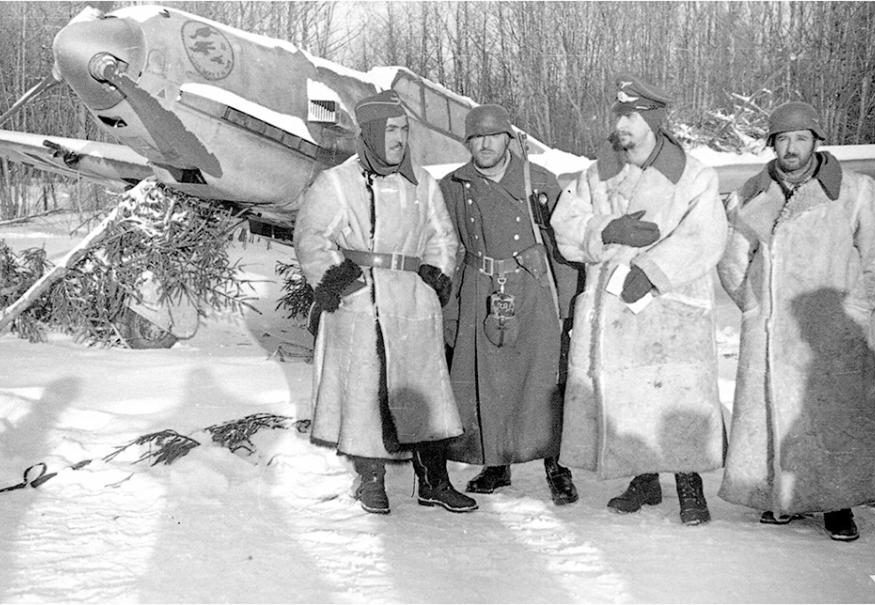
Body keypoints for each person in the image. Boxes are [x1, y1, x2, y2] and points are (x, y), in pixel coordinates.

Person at [717, 101, 875, 541]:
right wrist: (754, 307)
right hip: (770, 332)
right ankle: (784, 499)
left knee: (833, 418)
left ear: (816, 141)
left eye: (800, 138)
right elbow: (731, 259)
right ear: (773, 145)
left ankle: (838, 505)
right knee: (774, 415)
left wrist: (854, 310)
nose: (791, 148)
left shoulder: (855, 190)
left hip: (829, 331)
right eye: (782, 139)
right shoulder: (752, 194)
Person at [550, 75, 727, 525]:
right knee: (629, 395)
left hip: (670, 307)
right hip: (613, 310)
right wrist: (605, 230)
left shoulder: (694, 176)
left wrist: (652, 271)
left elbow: (706, 236)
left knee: (676, 395)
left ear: (653, 120)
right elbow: (565, 223)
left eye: (629, 115)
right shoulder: (598, 174)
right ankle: (644, 479)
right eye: (618, 115)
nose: (620, 124)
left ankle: (690, 485)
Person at [294, 90, 477, 515]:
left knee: (424, 391)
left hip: (413, 301)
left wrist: (434, 280)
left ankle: (434, 481)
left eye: (404, 129)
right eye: (391, 130)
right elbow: (312, 238)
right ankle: (371, 480)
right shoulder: (336, 182)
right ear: (372, 132)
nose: (399, 138)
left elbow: (443, 238)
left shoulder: (423, 183)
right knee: (365, 392)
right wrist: (343, 283)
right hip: (361, 303)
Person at [439, 104, 580, 505]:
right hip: (480, 288)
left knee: (543, 380)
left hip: (533, 288)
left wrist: (568, 302)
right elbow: (444, 245)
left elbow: (564, 246)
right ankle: (496, 464)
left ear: (508, 140)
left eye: (492, 136)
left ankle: (557, 466)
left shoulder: (540, 182)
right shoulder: (454, 185)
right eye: (476, 137)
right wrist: (449, 303)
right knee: (490, 380)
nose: (484, 144)